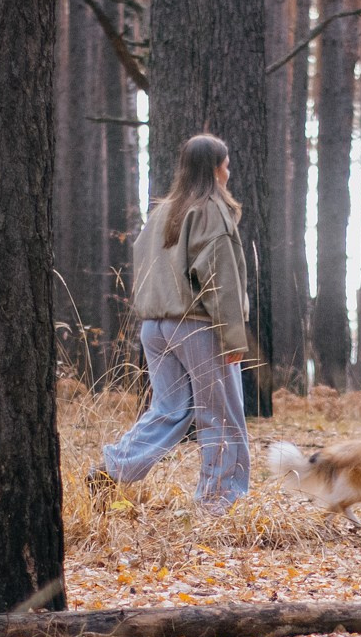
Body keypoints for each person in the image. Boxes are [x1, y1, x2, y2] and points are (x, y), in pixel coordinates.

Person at [89, 133, 252, 513]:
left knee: (169, 409)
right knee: (222, 417)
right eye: (225, 163)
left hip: (155, 328)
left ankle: (113, 468)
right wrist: (233, 337)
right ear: (215, 168)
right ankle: (218, 503)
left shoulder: (161, 211)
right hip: (197, 326)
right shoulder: (211, 209)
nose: (229, 170)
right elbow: (220, 278)